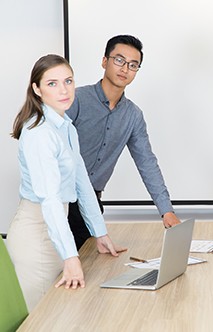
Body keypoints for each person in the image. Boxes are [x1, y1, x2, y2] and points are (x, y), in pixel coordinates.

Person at [7, 54, 126, 311]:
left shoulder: (65, 126)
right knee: (41, 319)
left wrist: (99, 231)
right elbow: (50, 199)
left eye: (68, 81)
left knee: (61, 313)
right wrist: (71, 257)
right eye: (52, 83)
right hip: (37, 235)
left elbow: (82, 181)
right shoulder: (39, 133)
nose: (63, 90)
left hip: (56, 229)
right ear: (37, 90)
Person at [66, 35, 181, 250]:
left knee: (90, 271)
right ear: (104, 61)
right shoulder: (76, 99)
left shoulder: (133, 115)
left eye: (133, 65)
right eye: (119, 60)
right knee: (58, 275)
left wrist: (167, 211)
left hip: (91, 204)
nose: (125, 69)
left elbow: (147, 162)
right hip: (61, 201)